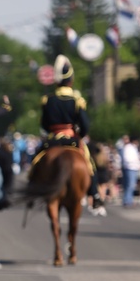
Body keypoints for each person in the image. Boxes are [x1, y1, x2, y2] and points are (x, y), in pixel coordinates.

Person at [32, 54, 106, 214]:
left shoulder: (48, 100)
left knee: (37, 159)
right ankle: (94, 194)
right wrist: (79, 134)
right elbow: (85, 125)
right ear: (71, 80)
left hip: (53, 139)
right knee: (88, 163)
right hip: (72, 138)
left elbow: (44, 124)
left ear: (57, 81)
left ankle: (33, 190)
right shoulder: (77, 100)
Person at [121, 137, 140, 207]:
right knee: (130, 185)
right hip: (130, 168)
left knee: (131, 185)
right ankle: (127, 200)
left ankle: (129, 200)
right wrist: (135, 163)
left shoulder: (133, 148)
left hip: (133, 168)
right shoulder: (128, 148)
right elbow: (127, 158)